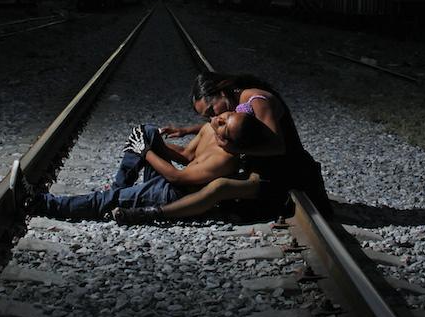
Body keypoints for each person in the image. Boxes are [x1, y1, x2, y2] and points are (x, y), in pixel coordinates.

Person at [113, 70, 331, 225]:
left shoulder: (256, 99)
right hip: (263, 167)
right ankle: (130, 194)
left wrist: (236, 151)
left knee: (220, 187)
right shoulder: (237, 100)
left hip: (284, 171)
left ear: (221, 91)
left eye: (211, 110)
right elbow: (231, 124)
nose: (214, 118)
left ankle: (153, 214)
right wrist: (188, 130)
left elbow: (278, 146)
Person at [13, 114, 250, 221]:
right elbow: (187, 155)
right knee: (146, 130)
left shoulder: (225, 160)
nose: (217, 119)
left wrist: (145, 152)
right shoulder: (211, 130)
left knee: (106, 198)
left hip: (170, 194)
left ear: (226, 141)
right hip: (166, 182)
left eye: (223, 126)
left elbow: (177, 178)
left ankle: (38, 203)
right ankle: (118, 190)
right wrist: (148, 142)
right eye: (225, 116)